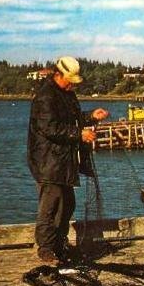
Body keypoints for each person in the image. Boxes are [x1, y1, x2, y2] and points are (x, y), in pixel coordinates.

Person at [27, 56, 109, 266]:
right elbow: (50, 127)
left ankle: (59, 244)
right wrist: (79, 134)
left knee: (68, 204)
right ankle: (46, 248)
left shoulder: (67, 93)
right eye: (69, 79)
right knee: (50, 205)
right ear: (58, 74)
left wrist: (91, 116)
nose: (73, 83)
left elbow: (73, 119)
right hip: (48, 161)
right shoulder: (45, 96)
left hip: (63, 161)